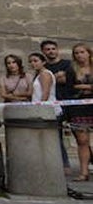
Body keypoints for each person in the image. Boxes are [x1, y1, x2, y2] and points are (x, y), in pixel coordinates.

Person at [41, 39, 72, 171]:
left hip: (70, 103)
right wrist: (56, 76)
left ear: (57, 49)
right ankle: (64, 165)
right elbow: (46, 83)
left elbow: (67, 79)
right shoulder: (44, 68)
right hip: (54, 106)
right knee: (56, 136)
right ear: (43, 51)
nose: (51, 51)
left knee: (81, 136)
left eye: (53, 49)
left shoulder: (68, 64)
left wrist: (53, 78)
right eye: (47, 49)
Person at [63, 44, 92, 181]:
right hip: (78, 107)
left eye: (82, 52)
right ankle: (84, 172)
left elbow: (77, 86)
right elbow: (69, 89)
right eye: (76, 53)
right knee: (82, 140)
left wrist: (83, 86)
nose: (79, 55)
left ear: (88, 53)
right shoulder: (71, 70)